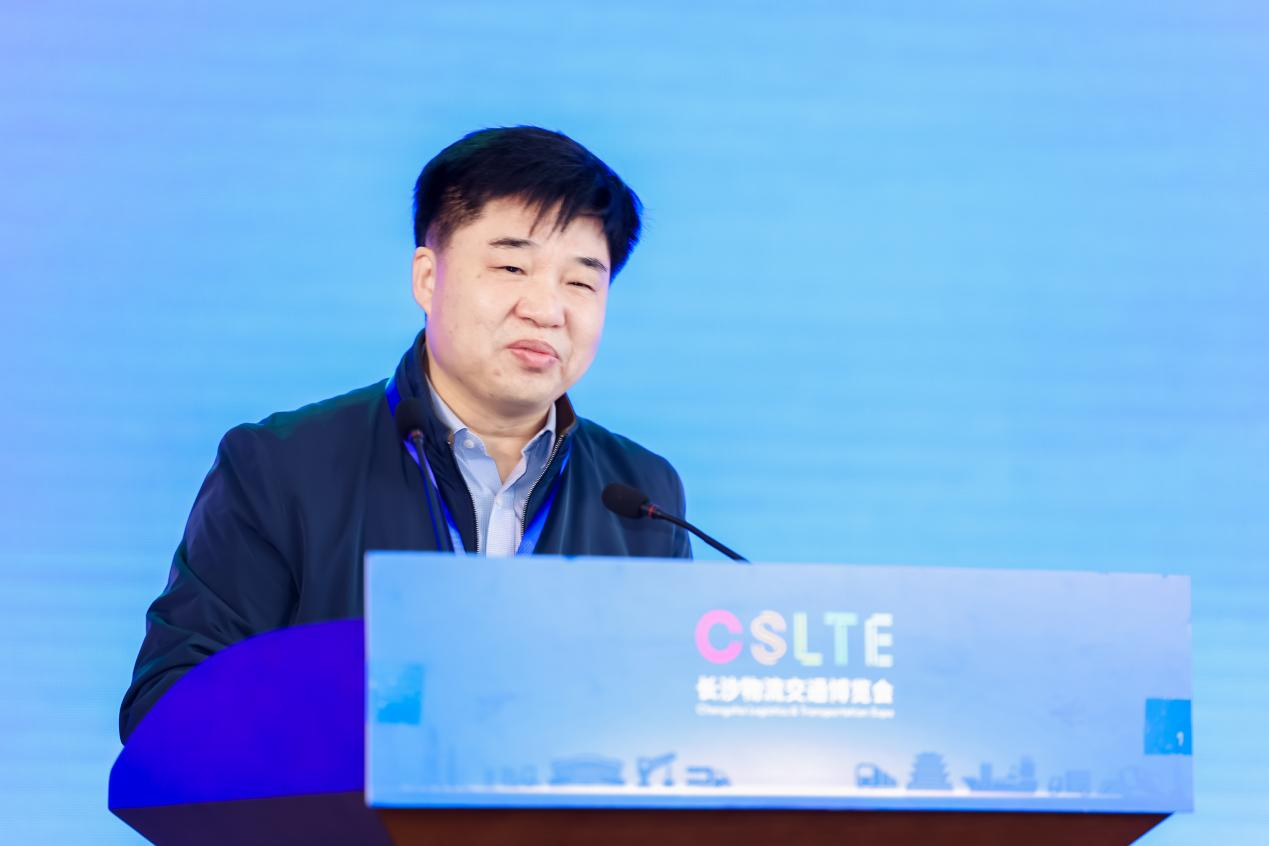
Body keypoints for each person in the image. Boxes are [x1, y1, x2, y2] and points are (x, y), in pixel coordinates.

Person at [119, 126, 692, 742]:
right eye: (511, 266)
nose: (546, 309)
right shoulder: (279, 466)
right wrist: (380, 699)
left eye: (581, 282)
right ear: (427, 277)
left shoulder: (642, 494)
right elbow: (166, 709)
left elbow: (675, 723)